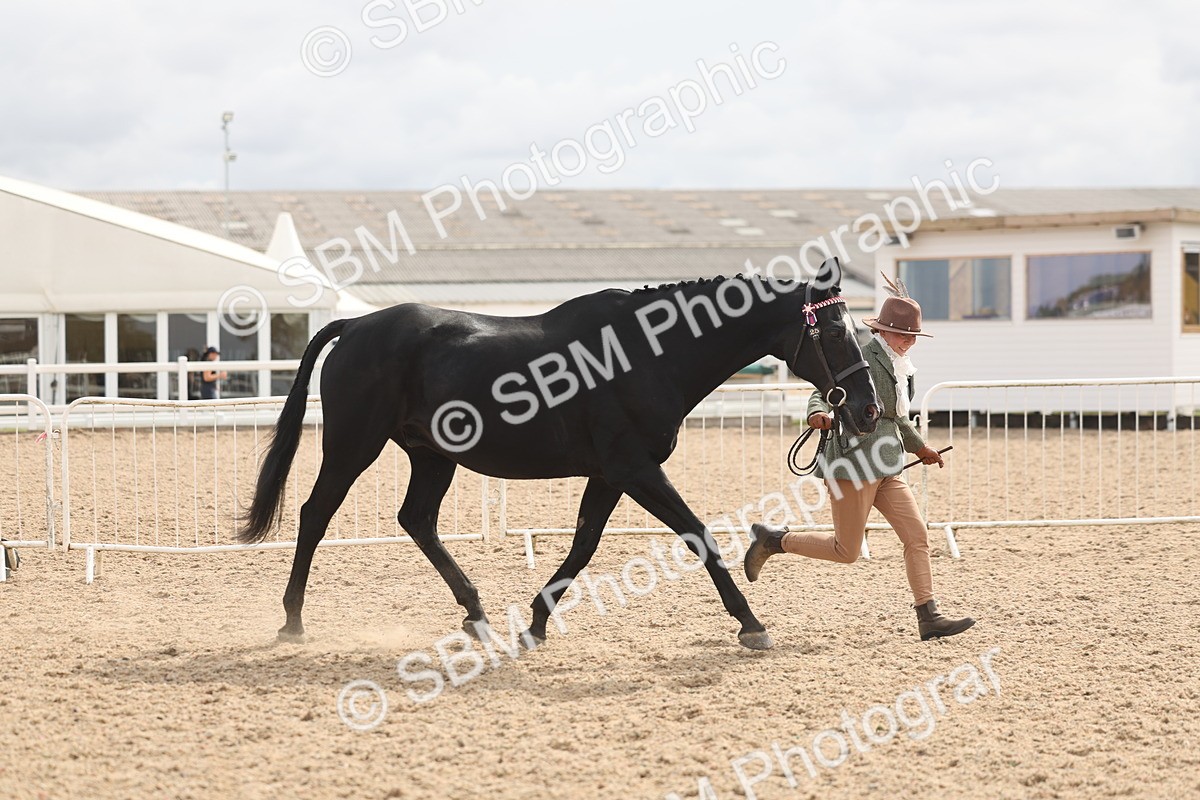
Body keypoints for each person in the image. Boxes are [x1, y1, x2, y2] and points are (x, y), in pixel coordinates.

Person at [743, 279, 975, 640]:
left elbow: (897, 418)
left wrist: (921, 448)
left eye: (912, 336)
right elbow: (824, 391)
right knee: (846, 551)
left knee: (917, 536)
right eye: (902, 335)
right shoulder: (863, 356)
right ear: (883, 331)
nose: (908, 341)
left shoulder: (902, 368)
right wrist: (816, 414)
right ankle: (774, 540)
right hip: (853, 463)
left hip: (888, 465)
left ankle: (928, 616)